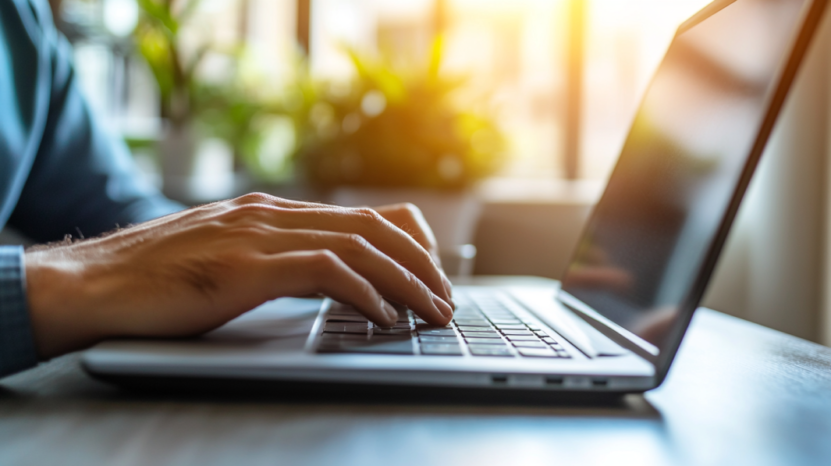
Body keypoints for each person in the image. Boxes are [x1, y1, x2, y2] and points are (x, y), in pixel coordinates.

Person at [0, 0, 453, 378]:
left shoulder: (19, 18)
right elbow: (113, 257)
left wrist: (293, 239)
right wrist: (59, 286)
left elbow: (111, 205)